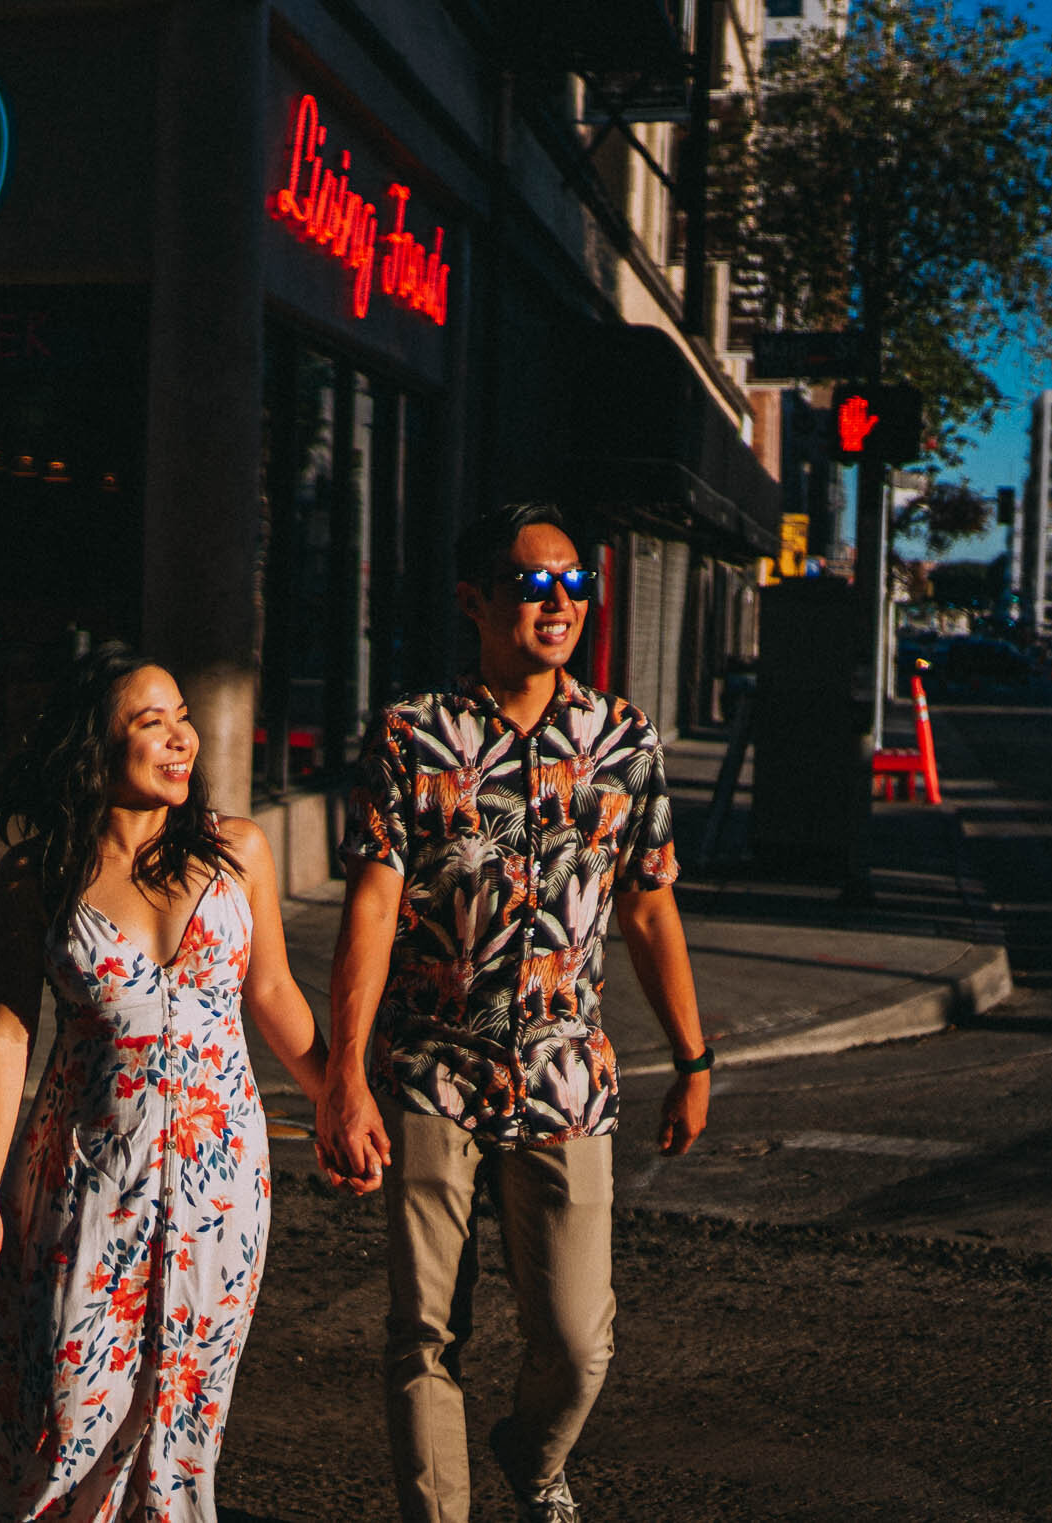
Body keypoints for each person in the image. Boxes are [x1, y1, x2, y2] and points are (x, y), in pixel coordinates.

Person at [315, 501, 712, 1523]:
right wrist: (343, 1076)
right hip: (429, 1067)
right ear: (474, 599)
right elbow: (370, 908)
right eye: (534, 583)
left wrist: (693, 1058)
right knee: (423, 1331)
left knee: (578, 1343)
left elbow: (649, 904)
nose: (559, 600)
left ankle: (532, 1459)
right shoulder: (411, 734)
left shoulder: (622, 739)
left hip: (565, 1077)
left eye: (575, 581)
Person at [0, 644, 331, 1522]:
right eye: (153, 722)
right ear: (95, 746)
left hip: (222, 1190)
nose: (183, 738)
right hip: (85, 1180)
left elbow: (272, 993)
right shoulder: (34, 876)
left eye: (183, 716)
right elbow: (8, 1029)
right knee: (69, 1404)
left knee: (182, 1413)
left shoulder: (238, 851)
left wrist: (341, 1099)